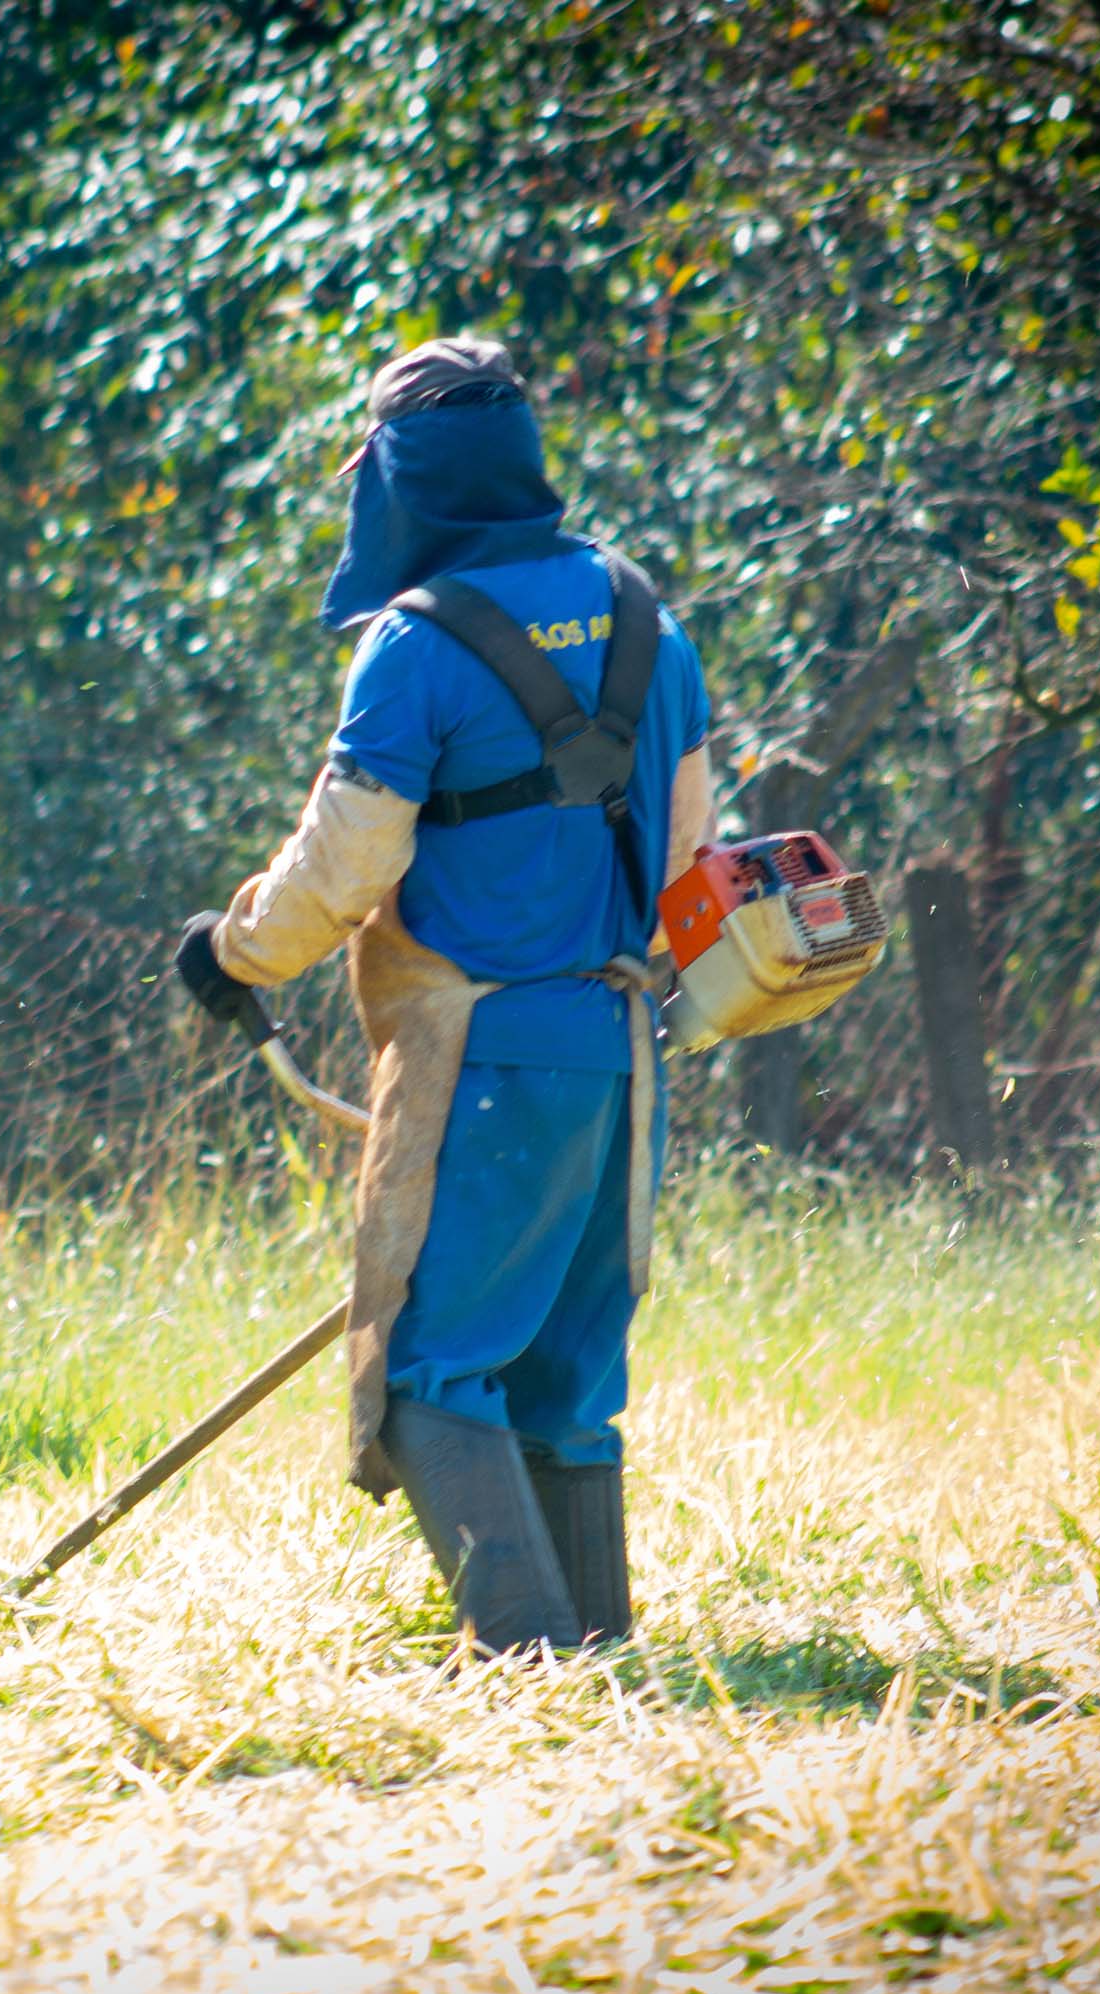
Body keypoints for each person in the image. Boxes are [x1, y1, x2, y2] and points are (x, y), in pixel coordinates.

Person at [174, 336, 713, 1655]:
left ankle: (530, 1659)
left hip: (481, 1056)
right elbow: (693, 852)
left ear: (402, 481)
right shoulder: (648, 613)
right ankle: (596, 1648)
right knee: (563, 1376)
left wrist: (236, 952)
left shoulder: (414, 649)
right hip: (617, 1047)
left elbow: (346, 863)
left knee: (426, 1375)